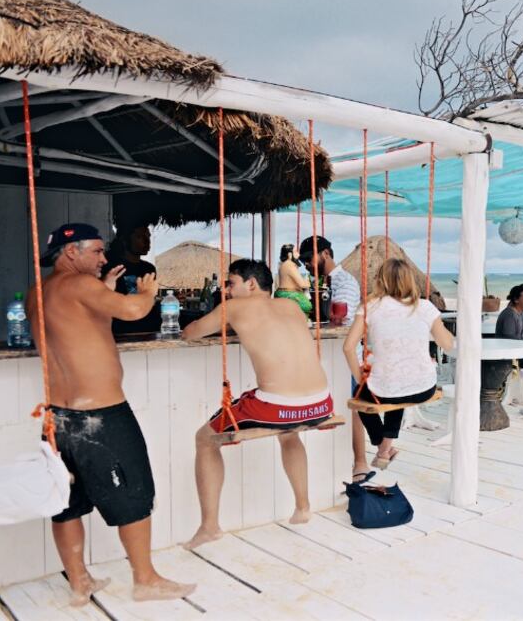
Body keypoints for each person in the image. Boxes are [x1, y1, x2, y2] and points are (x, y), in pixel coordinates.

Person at [25, 223, 194, 606]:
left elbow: (83, 325)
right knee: (134, 493)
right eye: (97, 251)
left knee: (66, 502)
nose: (104, 258)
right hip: (100, 416)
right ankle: (145, 580)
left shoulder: (41, 290)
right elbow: (134, 312)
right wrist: (147, 292)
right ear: (71, 253)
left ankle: (80, 580)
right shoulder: (79, 285)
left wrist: (106, 290)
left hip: (58, 419)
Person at [182, 259, 334, 549]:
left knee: (204, 439)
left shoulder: (235, 308)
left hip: (279, 406)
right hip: (321, 404)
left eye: (231, 283)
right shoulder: (291, 306)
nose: (226, 290)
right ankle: (303, 506)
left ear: (250, 284)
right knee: (289, 431)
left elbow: (190, 332)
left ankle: (209, 526)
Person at [343, 259, 454, 480]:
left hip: (388, 388)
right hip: (424, 387)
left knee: (364, 398)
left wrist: (360, 378)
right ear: (410, 280)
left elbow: (347, 347)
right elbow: (448, 344)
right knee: (396, 385)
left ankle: (381, 444)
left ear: (381, 281)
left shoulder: (370, 307)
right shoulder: (424, 307)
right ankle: (385, 448)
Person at [102, 224, 162, 336]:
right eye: (139, 237)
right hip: (121, 333)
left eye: (148, 236)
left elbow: (151, 301)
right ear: (125, 240)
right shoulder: (112, 268)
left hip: (149, 331)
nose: (146, 241)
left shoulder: (149, 268)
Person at [299, 235, 358, 325]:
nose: (306, 264)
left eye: (308, 258)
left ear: (326, 254)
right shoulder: (317, 282)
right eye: (302, 261)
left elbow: (340, 320)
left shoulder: (344, 282)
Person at [274, 244, 312, 315]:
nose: (298, 254)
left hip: (280, 293)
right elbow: (302, 285)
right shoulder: (290, 266)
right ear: (289, 255)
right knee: (308, 306)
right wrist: (308, 282)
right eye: (295, 252)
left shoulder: (282, 265)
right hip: (289, 294)